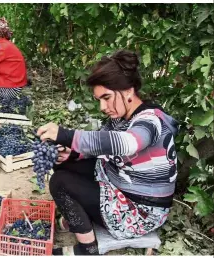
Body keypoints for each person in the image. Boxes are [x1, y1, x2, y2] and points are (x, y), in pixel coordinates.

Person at [36, 50, 179, 255]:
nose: (102, 106)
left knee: (60, 182)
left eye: (106, 97)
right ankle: (83, 220)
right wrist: (73, 154)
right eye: (99, 100)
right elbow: (103, 147)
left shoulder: (151, 121)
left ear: (128, 91)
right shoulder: (119, 118)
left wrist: (66, 135)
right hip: (118, 186)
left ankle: (88, 249)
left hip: (139, 212)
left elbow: (127, 143)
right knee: (62, 163)